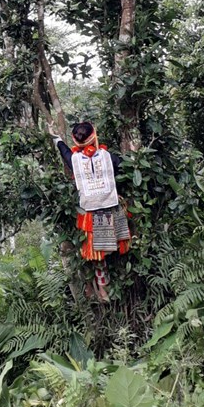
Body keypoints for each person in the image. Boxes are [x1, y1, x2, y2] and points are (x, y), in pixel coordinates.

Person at [51, 121, 131, 302]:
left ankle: (101, 289)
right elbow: (124, 164)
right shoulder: (107, 156)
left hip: (90, 212)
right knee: (109, 250)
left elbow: (65, 152)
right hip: (110, 208)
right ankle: (105, 289)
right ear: (94, 136)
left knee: (98, 255)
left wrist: (56, 138)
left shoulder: (75, 160)